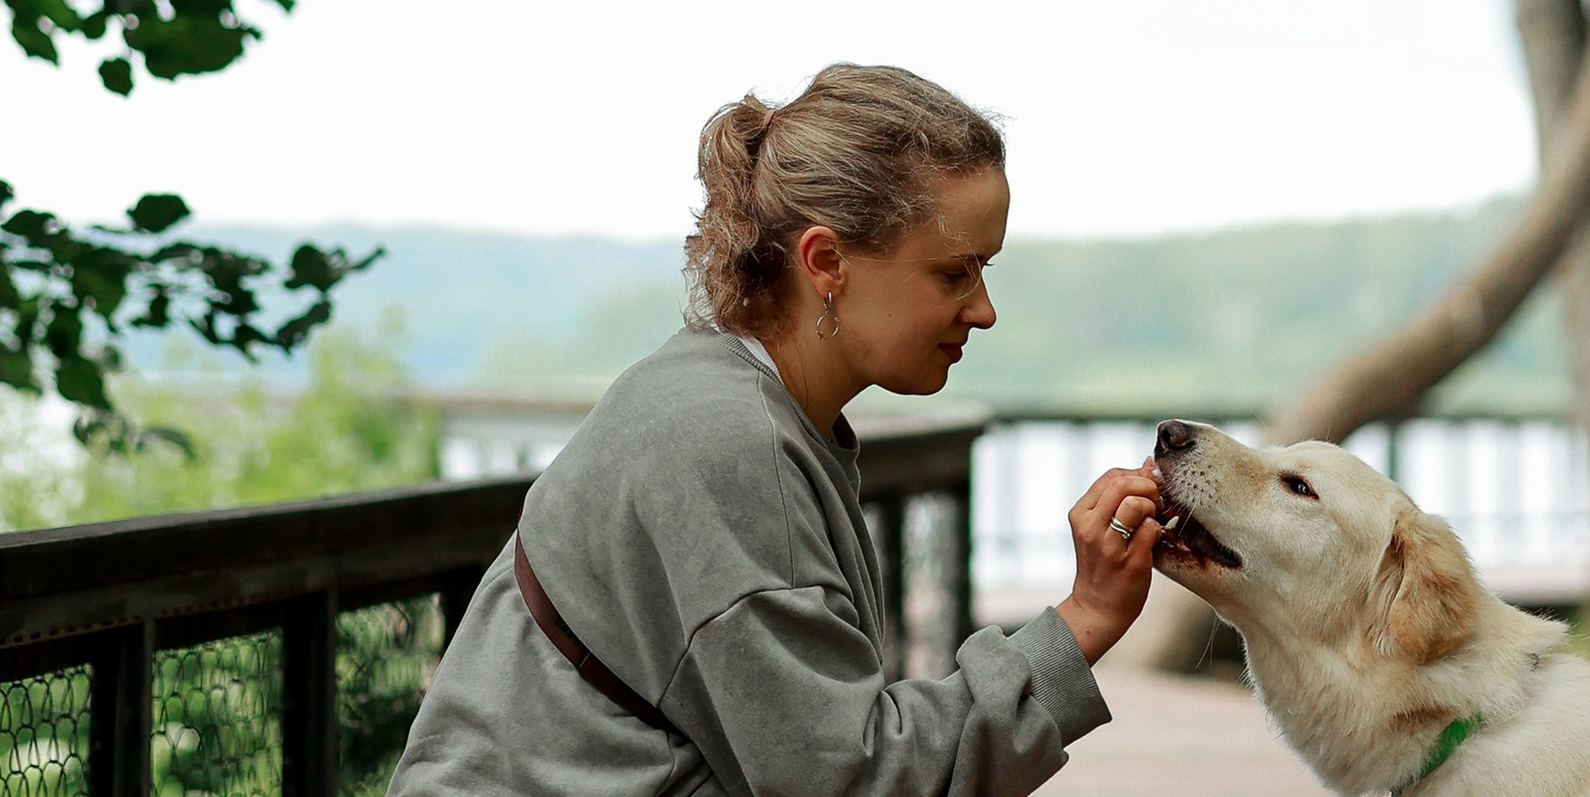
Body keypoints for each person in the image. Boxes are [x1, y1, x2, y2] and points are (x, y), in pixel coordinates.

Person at [389, 63, 1163, 797]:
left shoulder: (720, 394)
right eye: (954, 272)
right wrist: (1082, 620)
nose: (984, 308)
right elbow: (853, 779)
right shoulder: (728, 443)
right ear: (826, 259)